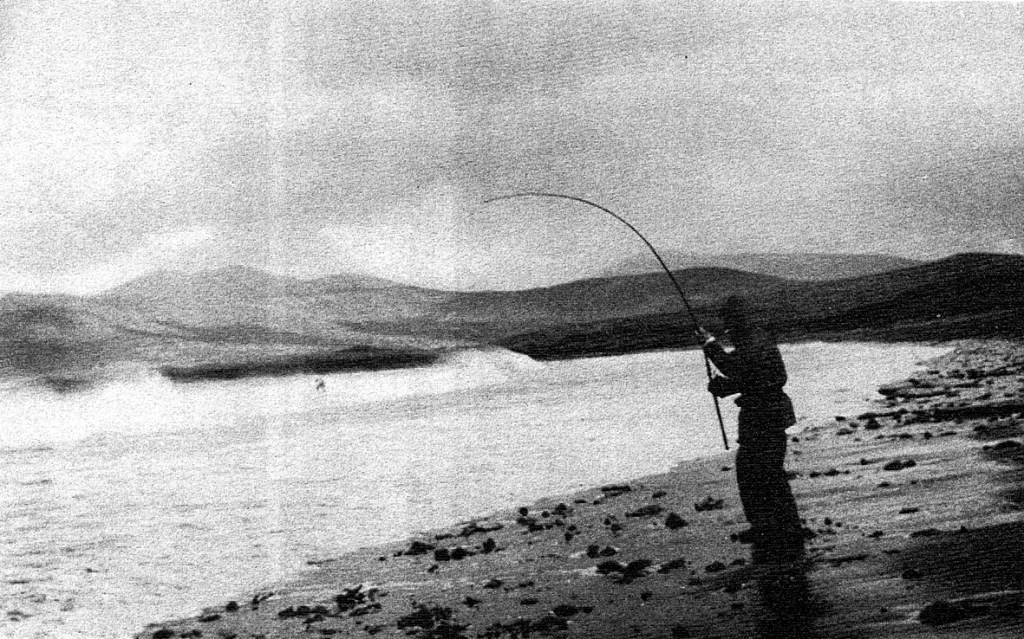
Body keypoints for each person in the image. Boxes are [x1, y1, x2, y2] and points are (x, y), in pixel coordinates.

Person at [696, 295, 803, 556]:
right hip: (765, 414)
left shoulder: (754, 340)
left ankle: (778, 530)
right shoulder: (756, 338)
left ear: (739, 319)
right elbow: (749, 376)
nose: (728, 329)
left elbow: (735, 368)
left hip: (764, 415)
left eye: (729, 322)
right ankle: (777, 528)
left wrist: (710, 345)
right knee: (764, 474)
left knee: (759, 474)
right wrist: (724, 387)